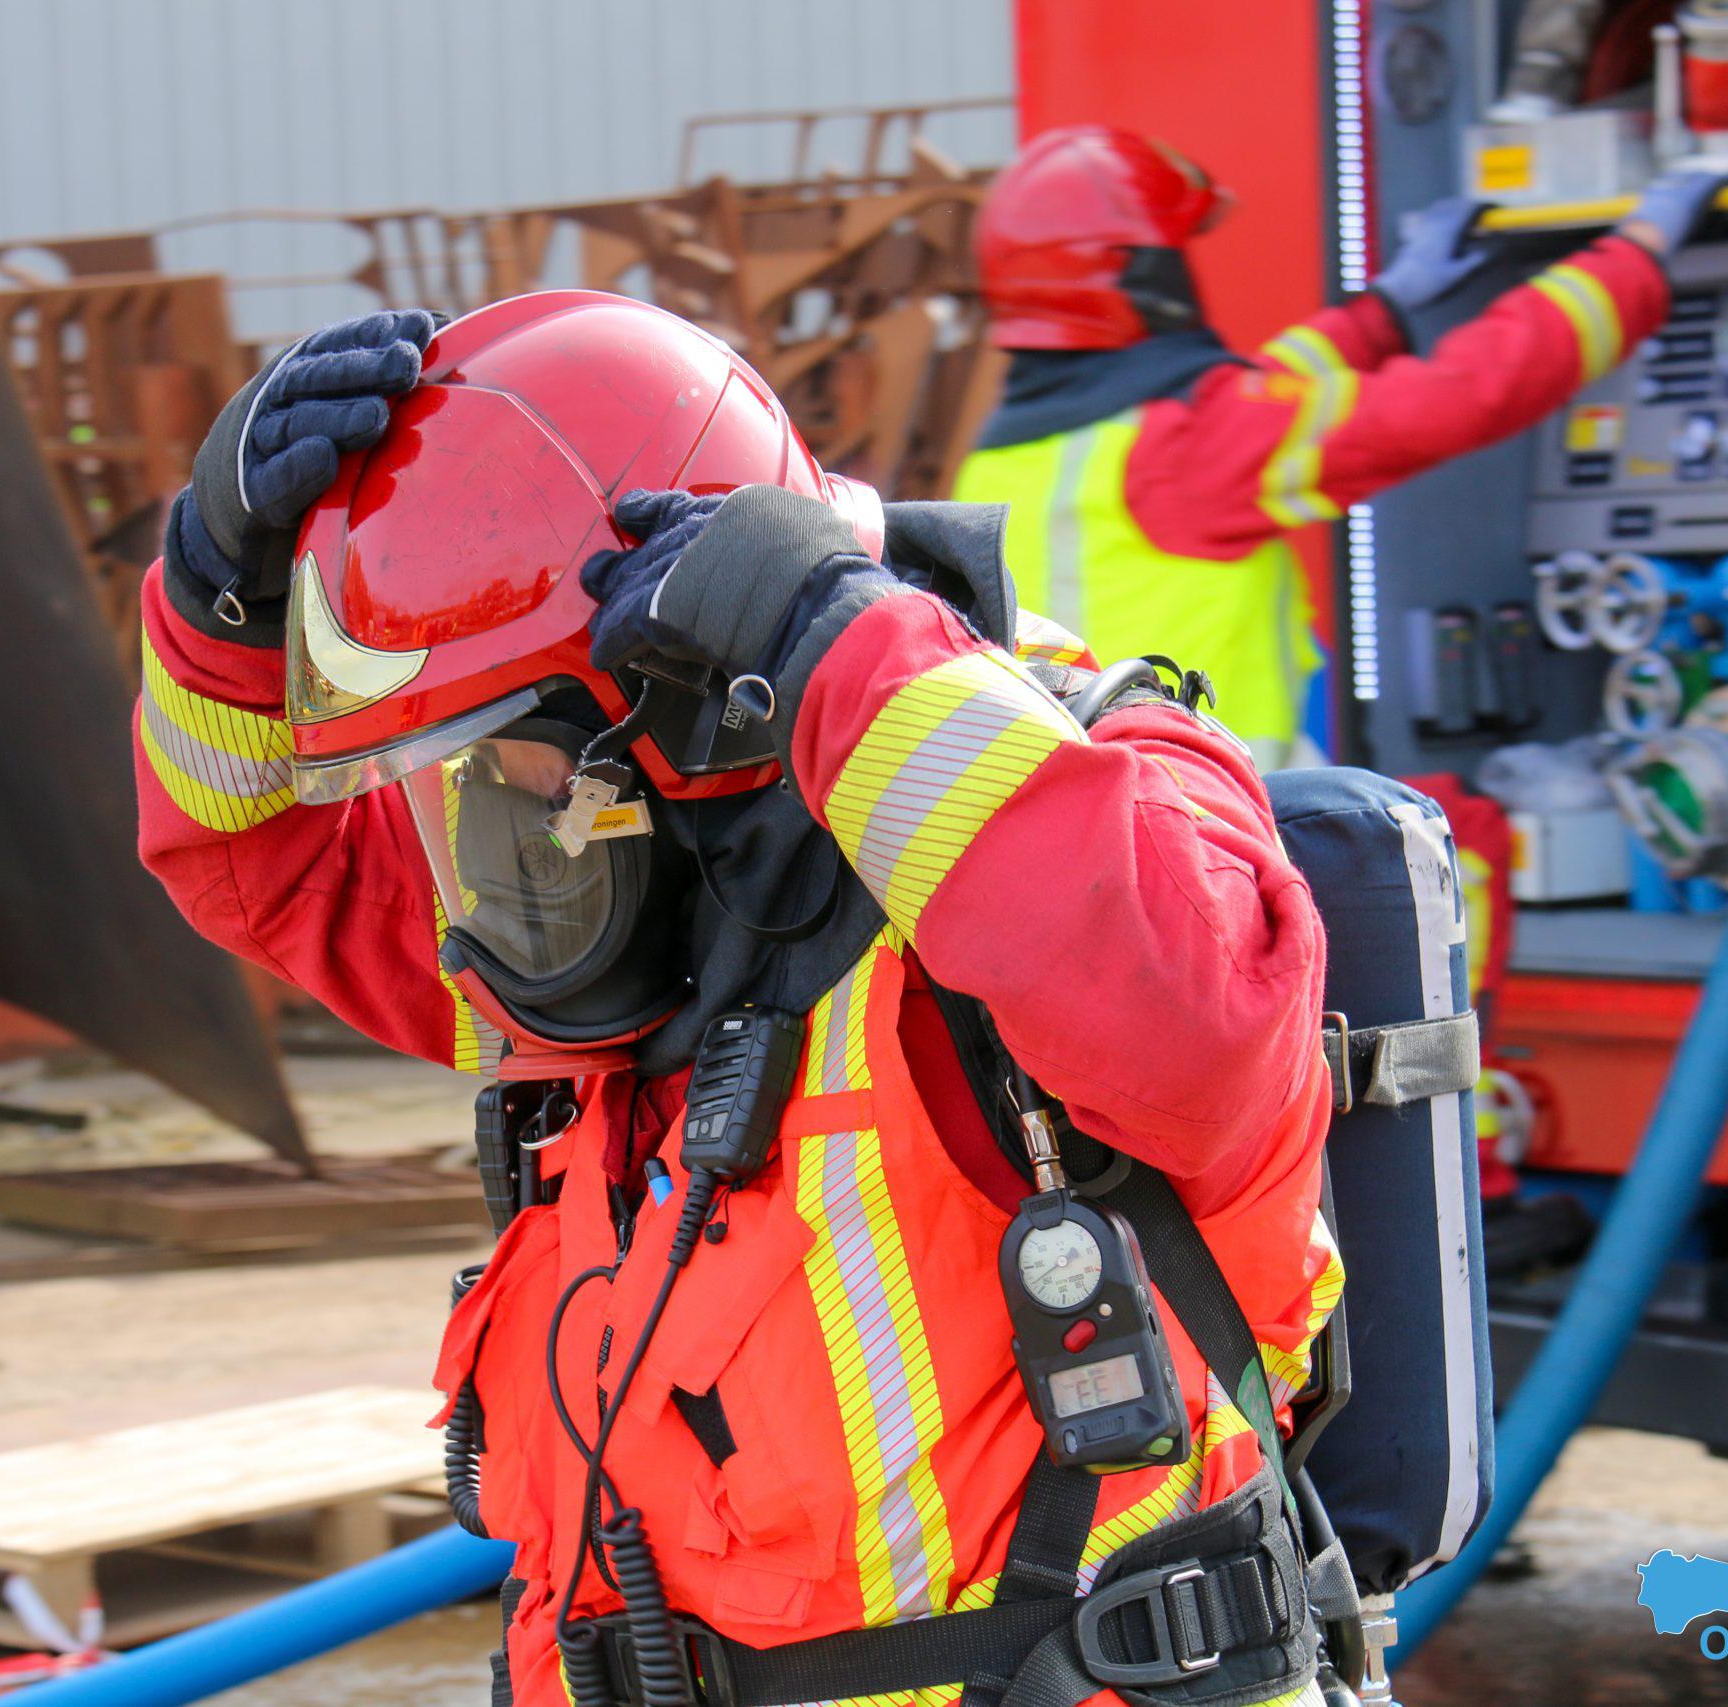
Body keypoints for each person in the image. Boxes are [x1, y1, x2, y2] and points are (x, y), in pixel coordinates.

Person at [135, 293, 1344, 1707]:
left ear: (683, 696)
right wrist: (215, 613)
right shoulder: (609, 916)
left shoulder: (1095, 787)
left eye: (514, 748)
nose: (494, 805)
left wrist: (838, 640)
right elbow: (275, 872)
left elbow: (1191, 1029)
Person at [952, 124, 1728, 768]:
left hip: (1109, 827)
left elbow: (1260, 398)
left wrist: (1384, 312)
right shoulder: (1188, 444)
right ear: (1145, 275)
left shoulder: (1001, 462)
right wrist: (1634, 256)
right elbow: (1465, 393)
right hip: (1216, 828)